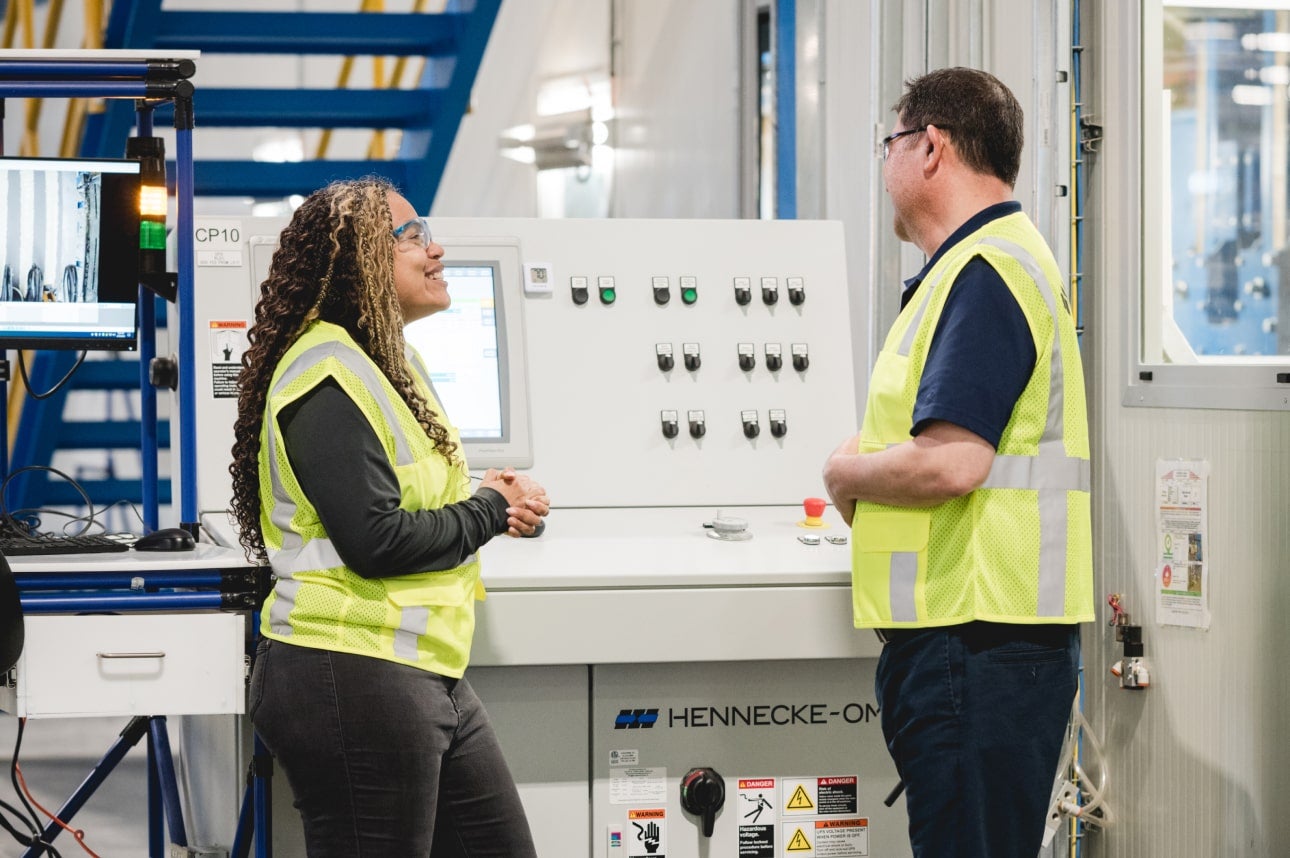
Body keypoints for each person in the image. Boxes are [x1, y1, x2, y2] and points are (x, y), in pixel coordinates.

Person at [229, 178, 549, 857]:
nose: (436, 251)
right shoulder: (323, 372)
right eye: (410, 238)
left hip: (414, 666)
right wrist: (491, 511)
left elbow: (414, 502)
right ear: (358, 262)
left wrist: (494, 499)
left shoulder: (390, 362)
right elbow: (375, 540)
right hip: (349, 670)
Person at [822, 67, 1093, 858]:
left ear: (930, 147)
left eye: (888, 144)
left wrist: (845, 474)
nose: (884, 166)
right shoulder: (990, 264)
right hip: (980, 643)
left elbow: (951, 465)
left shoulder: (986, 273)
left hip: (977, 642)